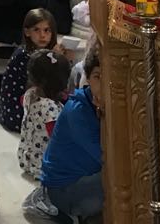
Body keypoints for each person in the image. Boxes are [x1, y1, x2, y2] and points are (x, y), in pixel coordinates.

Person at [40, 46, 103, 222]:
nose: (104, 84)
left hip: (85, 178)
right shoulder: (78, 111)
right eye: (98, 77)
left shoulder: (102, 105)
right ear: (88, 79)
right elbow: (105, 158)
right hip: (64, 191)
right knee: (121, 179)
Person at [0, 8, 57, 132]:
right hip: (16, 112)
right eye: (36, 30)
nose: (42, 35)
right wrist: (57, 59)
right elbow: (44, 83)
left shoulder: (38, 52)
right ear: (27, 32)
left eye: (47, 30)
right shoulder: (24, 55)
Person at [19, 49, 70, 180]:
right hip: (43, 166)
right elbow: (57, 137)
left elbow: (22, 101)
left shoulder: (30, 94)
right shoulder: (50, 108)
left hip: (26, 157)